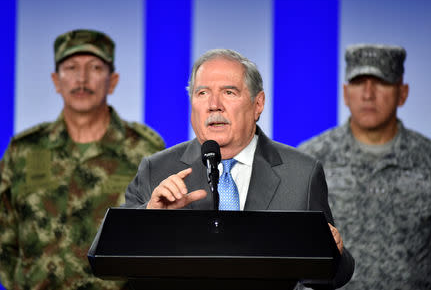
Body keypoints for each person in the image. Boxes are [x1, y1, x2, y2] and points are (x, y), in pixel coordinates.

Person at [123, 48, 354, 289]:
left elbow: (331, 275)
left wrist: (332, 255)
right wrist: (149, 219)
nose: (214, 105)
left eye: (229, 92)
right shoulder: (157, 169)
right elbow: (111, 258)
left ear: (258, 104)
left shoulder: (301, 174)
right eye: (202, 93)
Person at [0, 29, 165, 290]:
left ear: (113, 81)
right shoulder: (24, 150)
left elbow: (162, 238)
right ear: (56, 80)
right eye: (71, 67)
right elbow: (4, 236)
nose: (82, 78)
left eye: (96, 67)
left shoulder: (145, 149)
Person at [298, 44, 431, 290]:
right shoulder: (310, 159)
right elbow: (296, 248)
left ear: (403, 92)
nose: (368, 94)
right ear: (346, 93)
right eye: (359, 83)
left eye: (381, 82)